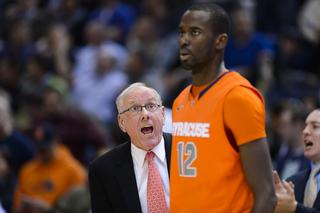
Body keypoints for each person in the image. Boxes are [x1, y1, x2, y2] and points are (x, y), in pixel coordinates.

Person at [170, 2, 277, 212]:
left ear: (220, 41)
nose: (184, 40)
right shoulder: (180, 100)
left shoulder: (238, 97)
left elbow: (266, 194)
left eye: (195, 32)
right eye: (181, 32)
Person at [89, 82, 172, 213]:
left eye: (151, 106)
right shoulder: (102, 169)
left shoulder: (188, 149)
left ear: (162, 114)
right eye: (135, 108)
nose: (145, 114)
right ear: (122, 122)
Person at [12, 123, 87, 213]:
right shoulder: (27, 169)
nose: (41, 152)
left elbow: (81, 209)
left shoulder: (74, 170)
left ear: (56, 141)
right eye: (38, 148)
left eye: (45, 148)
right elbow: (15, 208)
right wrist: (25, 206)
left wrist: (49, 209)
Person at [273, 108, 320, 212]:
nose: (305, 131)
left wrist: (294, 209)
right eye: (305, 127)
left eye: (315, 126)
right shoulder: (293, 181)